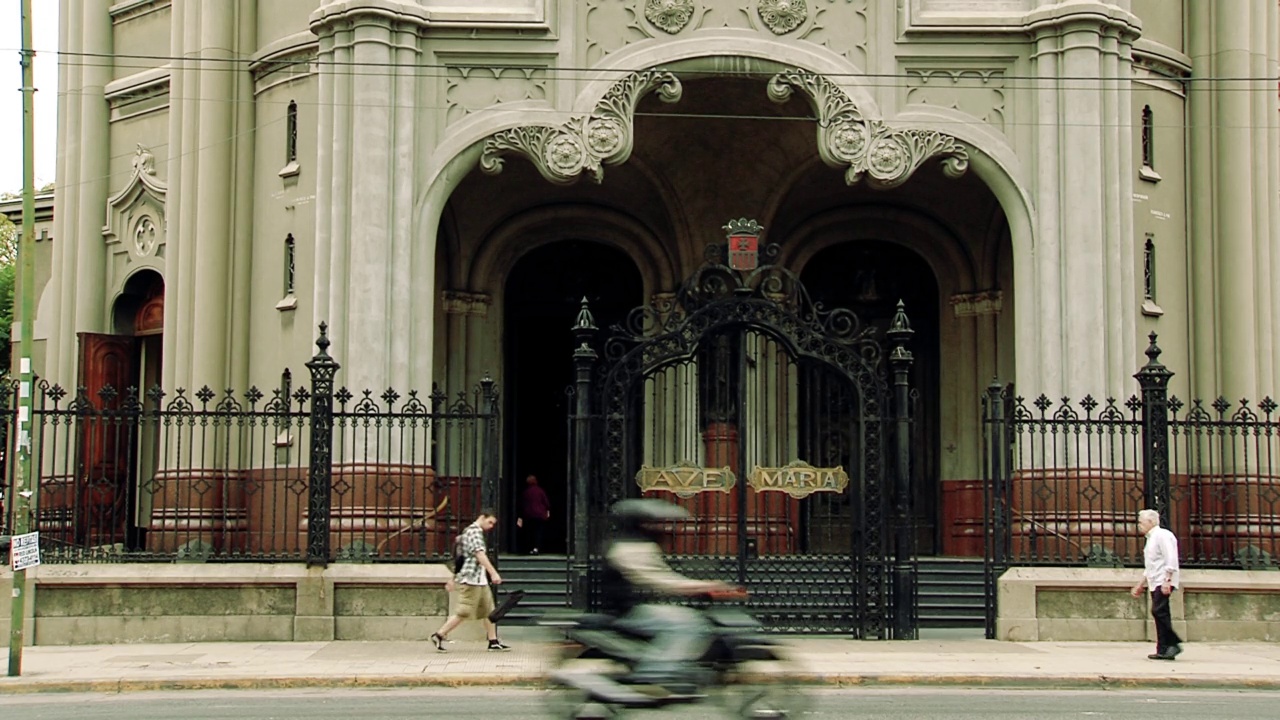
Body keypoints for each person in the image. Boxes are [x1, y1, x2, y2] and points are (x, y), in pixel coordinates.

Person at [601, 498, 736, 690]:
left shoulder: (634, 545)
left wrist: (697, 587)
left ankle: (674, 668)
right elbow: (658, 579)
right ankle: (654, 674)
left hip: (636, 607)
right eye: (650, 522)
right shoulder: (628, 548)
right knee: (691, 625)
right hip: (627, 612)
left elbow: (662, 577)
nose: (659, 528)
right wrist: (701, 586)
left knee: (685, 619)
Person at [431, 509, 511, 653]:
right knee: (464, 611)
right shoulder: (474, 531)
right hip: (471, 579)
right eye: (490, 522)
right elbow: (479, 554)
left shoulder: (471, 532)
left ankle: (493, 641)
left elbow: (460, 558)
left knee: (489, 611)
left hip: (479, 579)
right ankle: (439, 635)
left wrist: (453, 578)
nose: (491, 526)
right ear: (482, 517)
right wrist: (493, 573)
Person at [1129, 508, 1183, 660]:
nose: (1139, 525)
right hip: (1155, 580)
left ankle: (1173, 644)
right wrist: (1140, 584)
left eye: (1141, 522)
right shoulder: (1151, 538)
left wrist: (1167, 580)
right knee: (1160, 612)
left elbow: (1170, 558)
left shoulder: (1163, 535)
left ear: (1151, 522)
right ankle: (1164, 648)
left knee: (1159, 611)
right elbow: (1151, 566)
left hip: (1163, 580)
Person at [517, 474, 551, 554]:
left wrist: (520, 516)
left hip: (529, 515)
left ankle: (530, 548)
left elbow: (522, 504)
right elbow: (546, 502)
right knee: (538, 531)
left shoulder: (526, 492)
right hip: (540, 514)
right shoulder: (540, 491)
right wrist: (547, 511)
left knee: (530, 532)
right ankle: (537, 548)